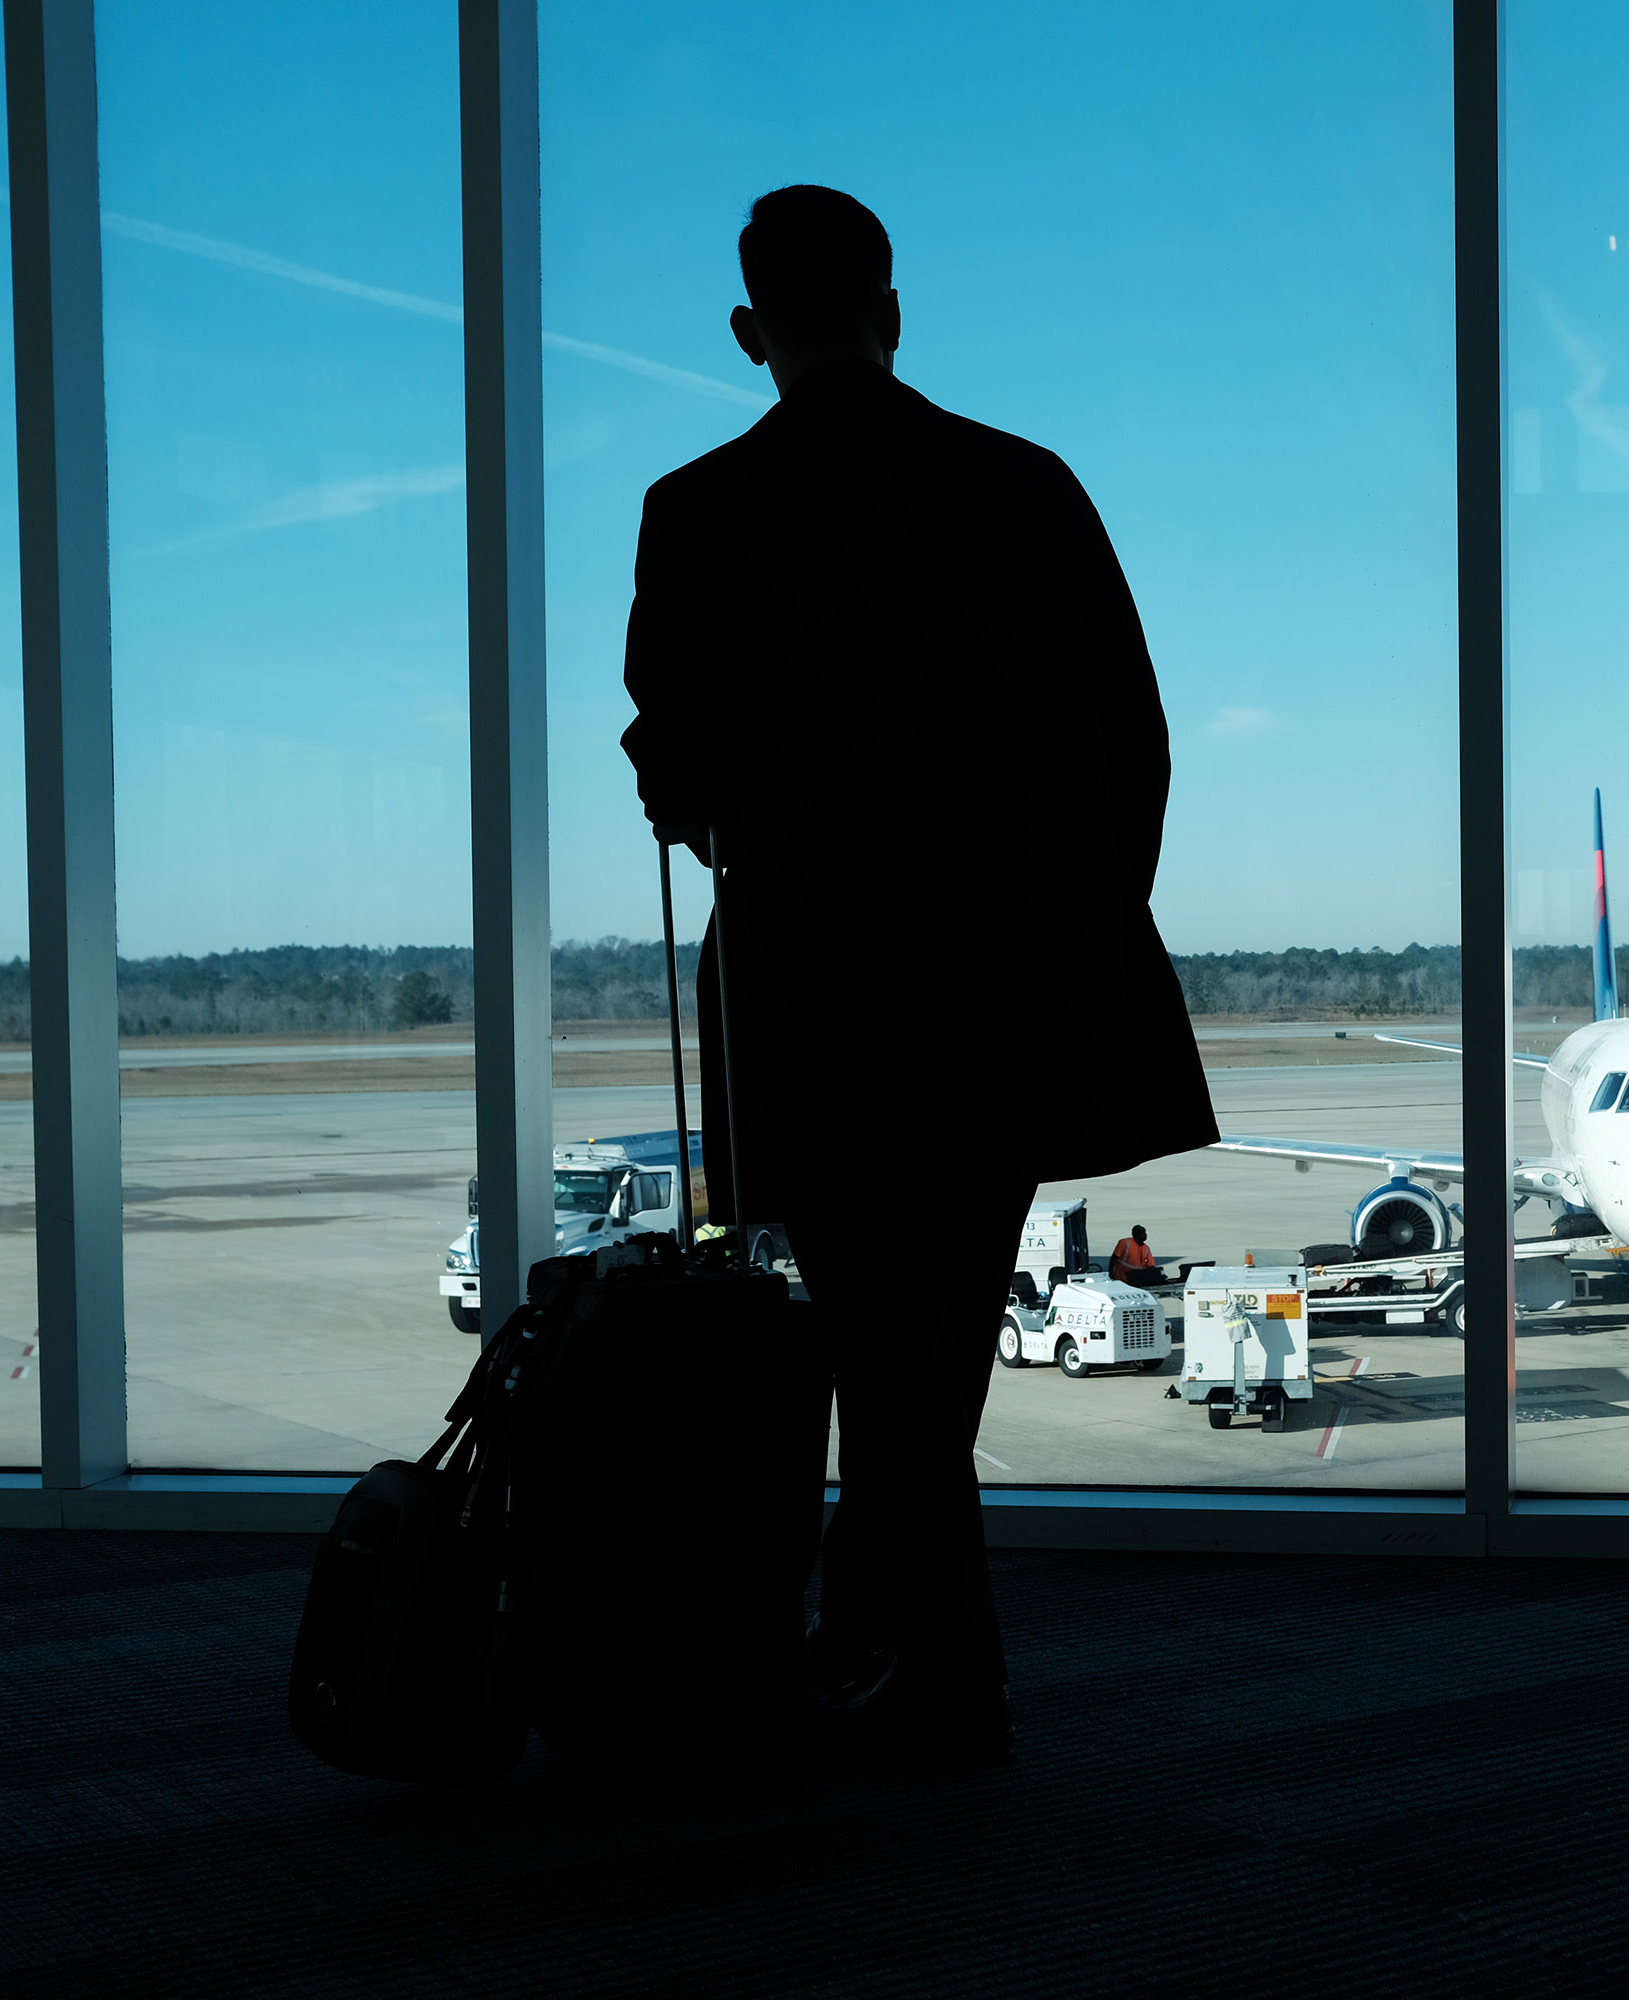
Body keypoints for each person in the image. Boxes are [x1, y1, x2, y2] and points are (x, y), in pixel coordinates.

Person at [620, 185, 1217, 1764]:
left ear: (754, 333)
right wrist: (1081, 915)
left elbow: (676, 783)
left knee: (888, 1329)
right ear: (893, 313)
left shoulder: (697, 511)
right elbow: (1134, 741)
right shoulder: (1027, 488)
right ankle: (918, 1654)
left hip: (816, 995)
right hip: (1014, 983)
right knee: (934, 1334)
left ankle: (894, 1646)